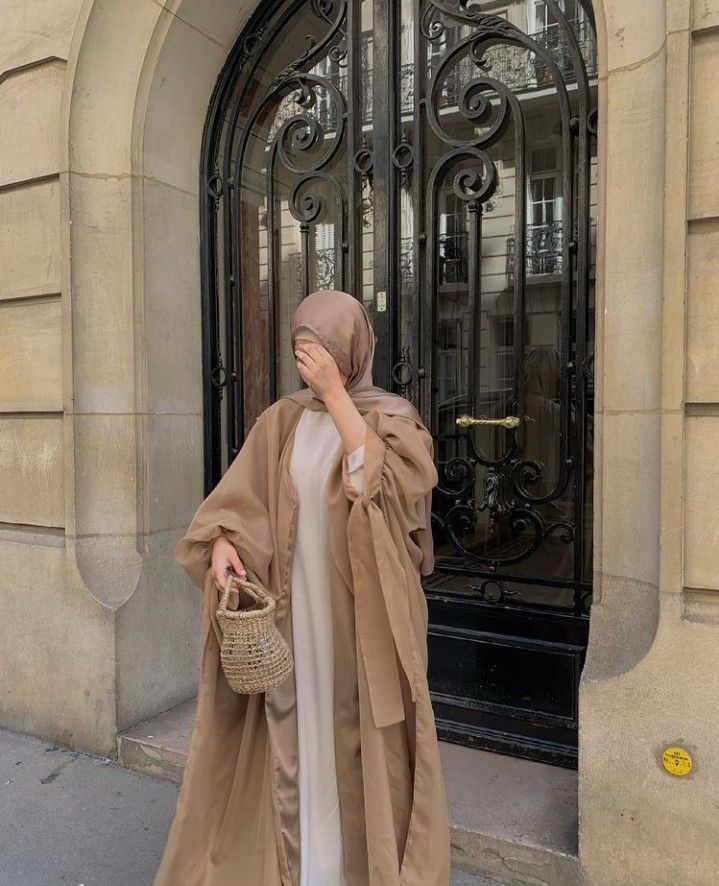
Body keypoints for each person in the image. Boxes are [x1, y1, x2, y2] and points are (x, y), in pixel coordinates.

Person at [153, 289, 451, 886]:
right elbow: (241, 500)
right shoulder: (282, 420)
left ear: (350, 350)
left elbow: (387, 491)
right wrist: (224, 544)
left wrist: (338, 397)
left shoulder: (391, 417)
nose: (306, 363)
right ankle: (302, 864)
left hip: (358, 617)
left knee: (359, 733)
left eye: (318, 350)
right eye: (299, 350)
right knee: (297, 727)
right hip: (293, 609)